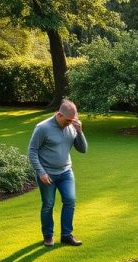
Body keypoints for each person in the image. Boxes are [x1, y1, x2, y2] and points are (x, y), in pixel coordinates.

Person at [28, 99, 88, 247]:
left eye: (73, 120)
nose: (70, 123)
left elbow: (83, 149)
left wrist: (80, 132)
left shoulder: (72, 127)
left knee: (70, 201)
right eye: (68, 120)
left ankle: (66, 235)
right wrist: (41, 172)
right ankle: (48, 236)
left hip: (66, 172)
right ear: (59, 115)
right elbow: (32, 151)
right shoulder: (42, 128)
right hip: (47, 174)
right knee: (48, 204)